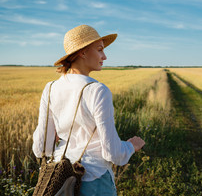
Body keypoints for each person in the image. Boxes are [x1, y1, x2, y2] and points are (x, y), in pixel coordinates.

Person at [32, 25, 145, 195]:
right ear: (82, 53)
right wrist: (131, 146)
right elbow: (112, 153)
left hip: (59, 180)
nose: (104, 56)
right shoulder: (98, 90)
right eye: (99, 50)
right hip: (94, 180)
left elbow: (42, 148)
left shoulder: (50, 88)